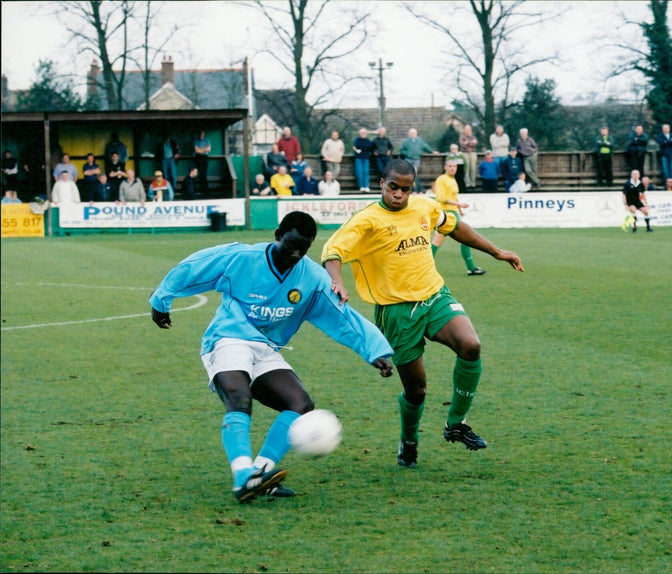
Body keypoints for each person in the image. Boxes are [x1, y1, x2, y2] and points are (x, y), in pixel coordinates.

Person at [149, 211, 393, 502]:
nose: (296, 254)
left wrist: (374, 350)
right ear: (278, 235)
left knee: (300, 404)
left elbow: (342, 316)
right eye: (291, 246)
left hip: (264, 347)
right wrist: (161, 300)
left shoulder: (312, 277)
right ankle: (242, 477)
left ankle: (259, 473)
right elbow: (196, 266)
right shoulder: (242, 258)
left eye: (304, 249)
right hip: (227, 339)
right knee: (239, 398)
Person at [320, 159, 524, 469]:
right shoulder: (365, 221)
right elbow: (332, 252)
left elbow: (454, 226)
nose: (400, 194)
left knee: (471, 345)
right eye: (393, 188)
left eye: (406, 189)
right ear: (381, 184)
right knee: (416, 392)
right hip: (396, 312)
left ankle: (456, 424)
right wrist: (336, 280)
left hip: (434, 296)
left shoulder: (424, 206)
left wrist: (497, 252)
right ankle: (409, 441)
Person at [430, 158, 485, 276]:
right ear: (445, 167)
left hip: (452, 213)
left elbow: (453, 197)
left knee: (439, 241)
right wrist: (459, 205)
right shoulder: (441, 179)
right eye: (450, 166)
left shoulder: (452, 179)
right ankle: (471, 268)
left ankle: (471, 268)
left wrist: (459, 209)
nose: (452, 168)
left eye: (454, 166)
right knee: (462, 239)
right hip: (446, 214)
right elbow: (440, 198)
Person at [353, 127, 373, 191]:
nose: (363, 134)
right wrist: (364, 148)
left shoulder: (368, 141)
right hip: (358, 158)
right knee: (359, 172)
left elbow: (370, 148)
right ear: (360, 133)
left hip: (366, 158)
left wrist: (363, 148)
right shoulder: (357, 140)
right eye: (362, 133)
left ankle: (366, 186)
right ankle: (361, 186)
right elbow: (355, 147)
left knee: (366, 172)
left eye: (364, 133)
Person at [459, 125, 479, 189]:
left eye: (469, 129)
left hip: (473, 153)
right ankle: (467, 183)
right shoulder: (462, 137)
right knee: (466, 168)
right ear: (464, 130)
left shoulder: (473, 137)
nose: (468, 131)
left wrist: (467, 143)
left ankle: (473, 183)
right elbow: (463, 145)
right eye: (466, 129)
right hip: (465, 153)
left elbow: (475, 143)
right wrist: (470, 143)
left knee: (473, 168)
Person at [194, 129, 212, 196]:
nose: (201, 134)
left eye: (202, 133)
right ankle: (198, 190)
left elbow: (209, 149)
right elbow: (196, 150)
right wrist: (204, 149)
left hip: (205, 158)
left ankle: (205, 191)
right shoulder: (196, 140)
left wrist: (200, 149)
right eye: (200, 133)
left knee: (204, 174)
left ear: (204, 133)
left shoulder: (207, 140)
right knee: (198, 174)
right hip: (198, 157)